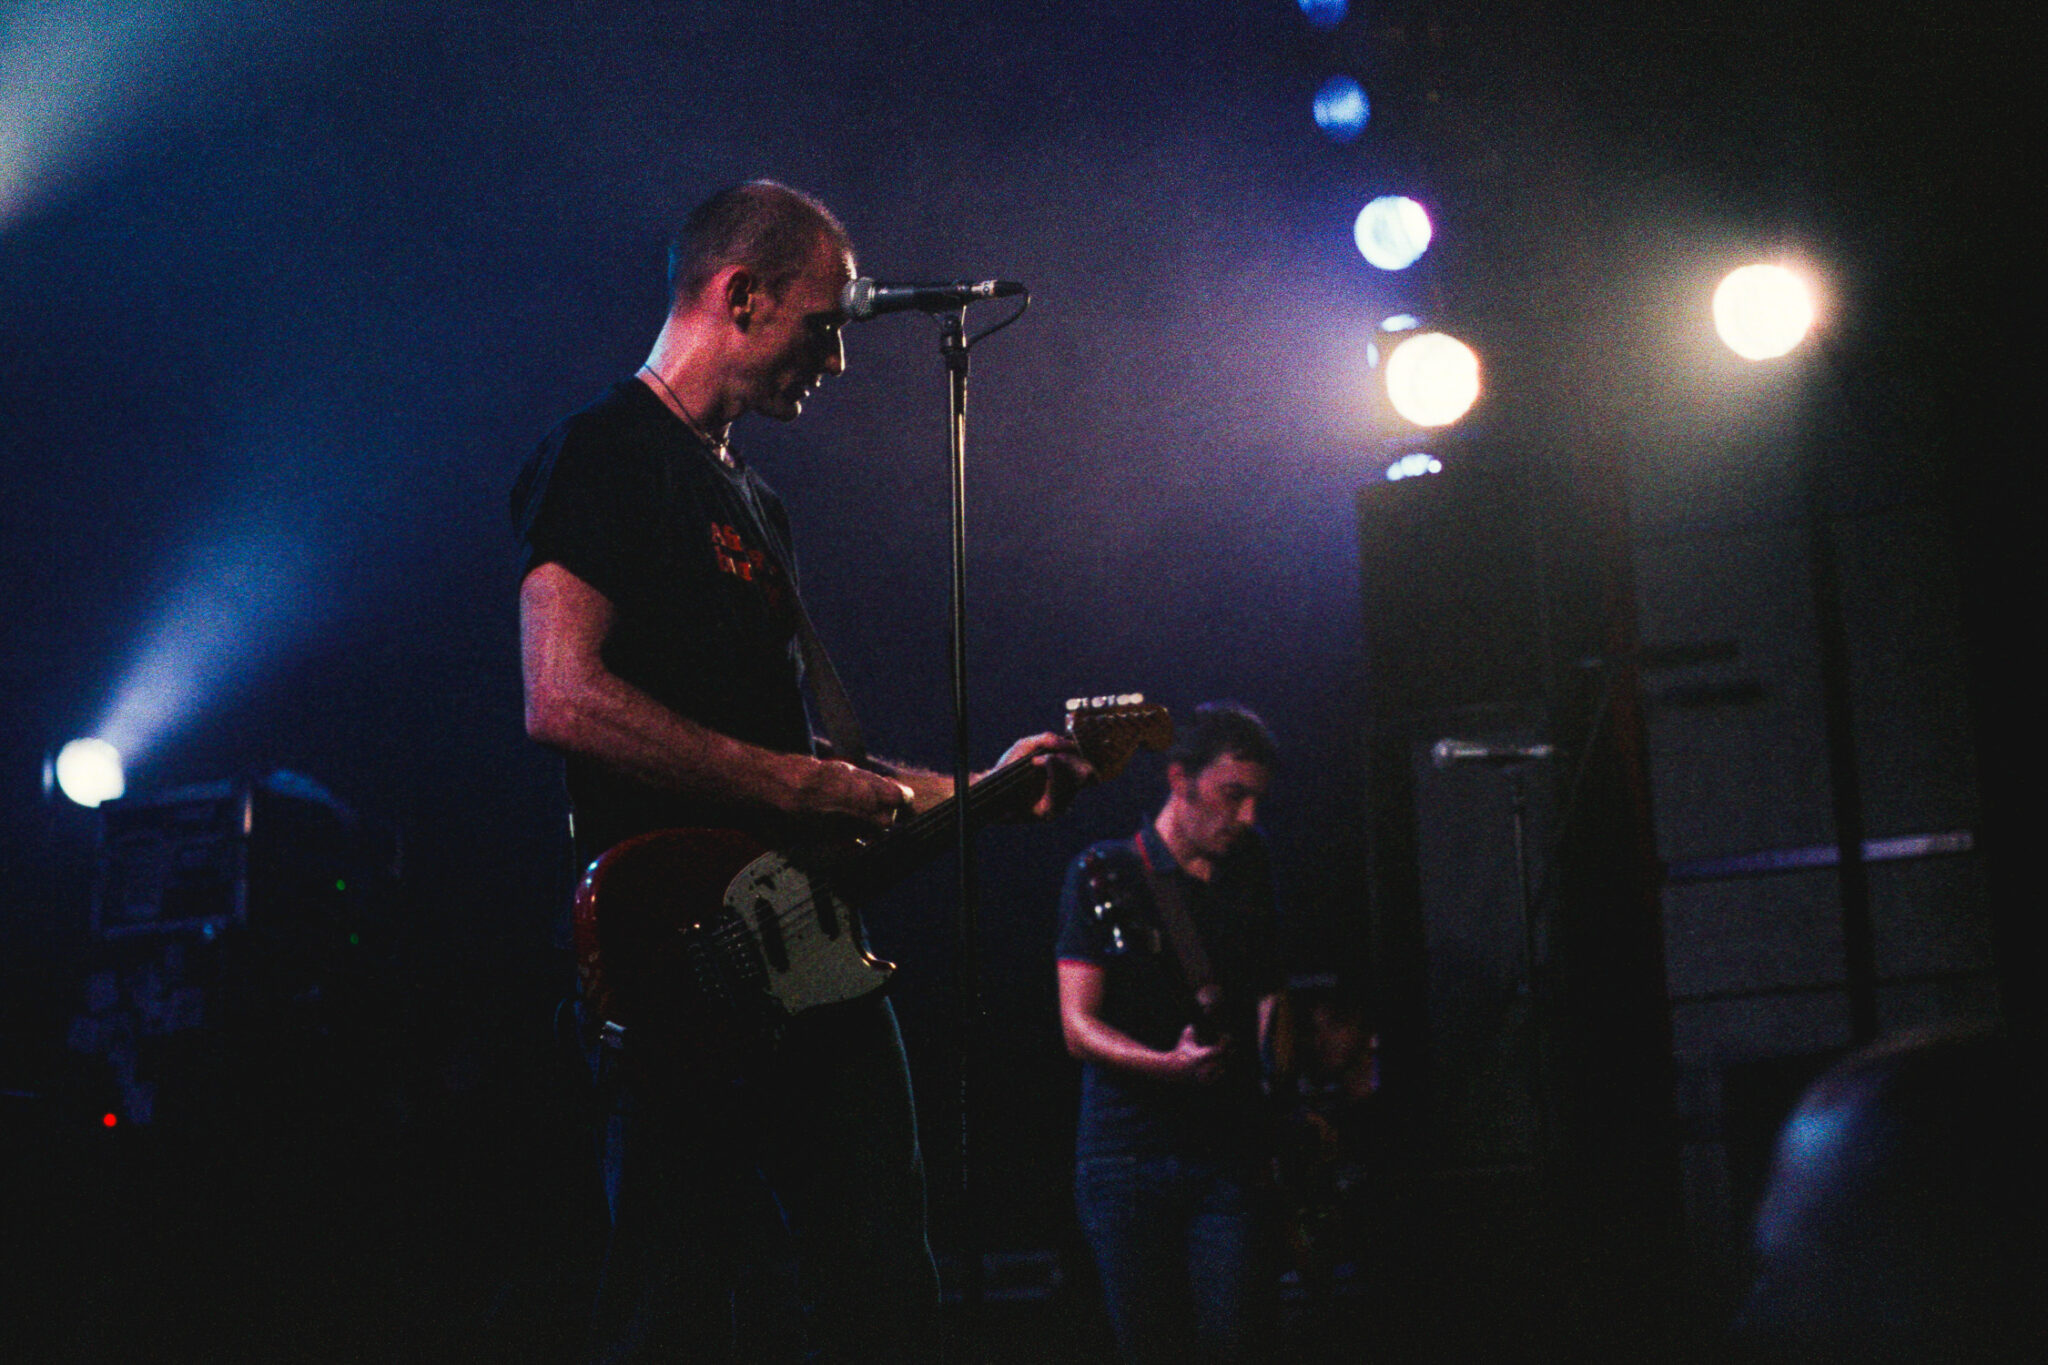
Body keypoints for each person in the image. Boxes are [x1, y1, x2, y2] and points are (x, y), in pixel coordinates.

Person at [513, 179, 1086, 1364]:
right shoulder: (606, 450)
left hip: (805, 942)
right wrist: (782, 790)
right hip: (679, 948)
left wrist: (977, 790)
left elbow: (815, 764)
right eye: (824, 324)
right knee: (675, 1291)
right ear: (742, 296)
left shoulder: (756, 499)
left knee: (881, 1273)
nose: (836, 356)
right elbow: (560, 693)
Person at [1054, 702, 1284, 1365]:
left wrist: (1273, 1095)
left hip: (1227, 1154)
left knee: (1237, 1341)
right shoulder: (1102, 870)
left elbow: (1273, 988)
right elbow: (1077, 1025)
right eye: (1231, 795)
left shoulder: (1251, 863)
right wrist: (1167, 1065)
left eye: (1255, 800)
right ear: (1179, 779)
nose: (1246, 817)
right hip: (1127, 1157)